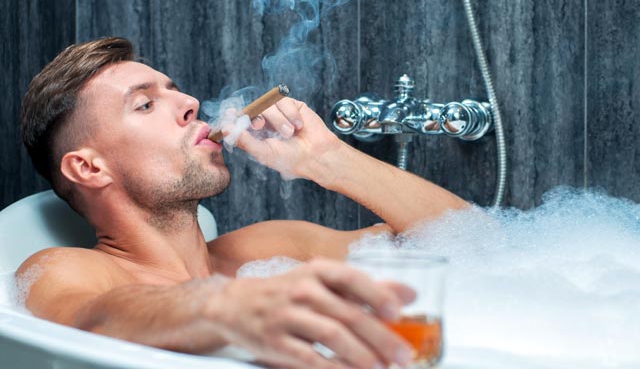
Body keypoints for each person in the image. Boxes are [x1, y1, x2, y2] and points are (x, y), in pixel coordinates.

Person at [18, 37, 468, 369]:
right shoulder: (67, 269)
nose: (190, 102)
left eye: (174, 89)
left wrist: (332, 161)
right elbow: (88, 317)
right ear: (90, 169)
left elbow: (470, 241)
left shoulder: (271, 249)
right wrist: (224, 308)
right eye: (145, 105)